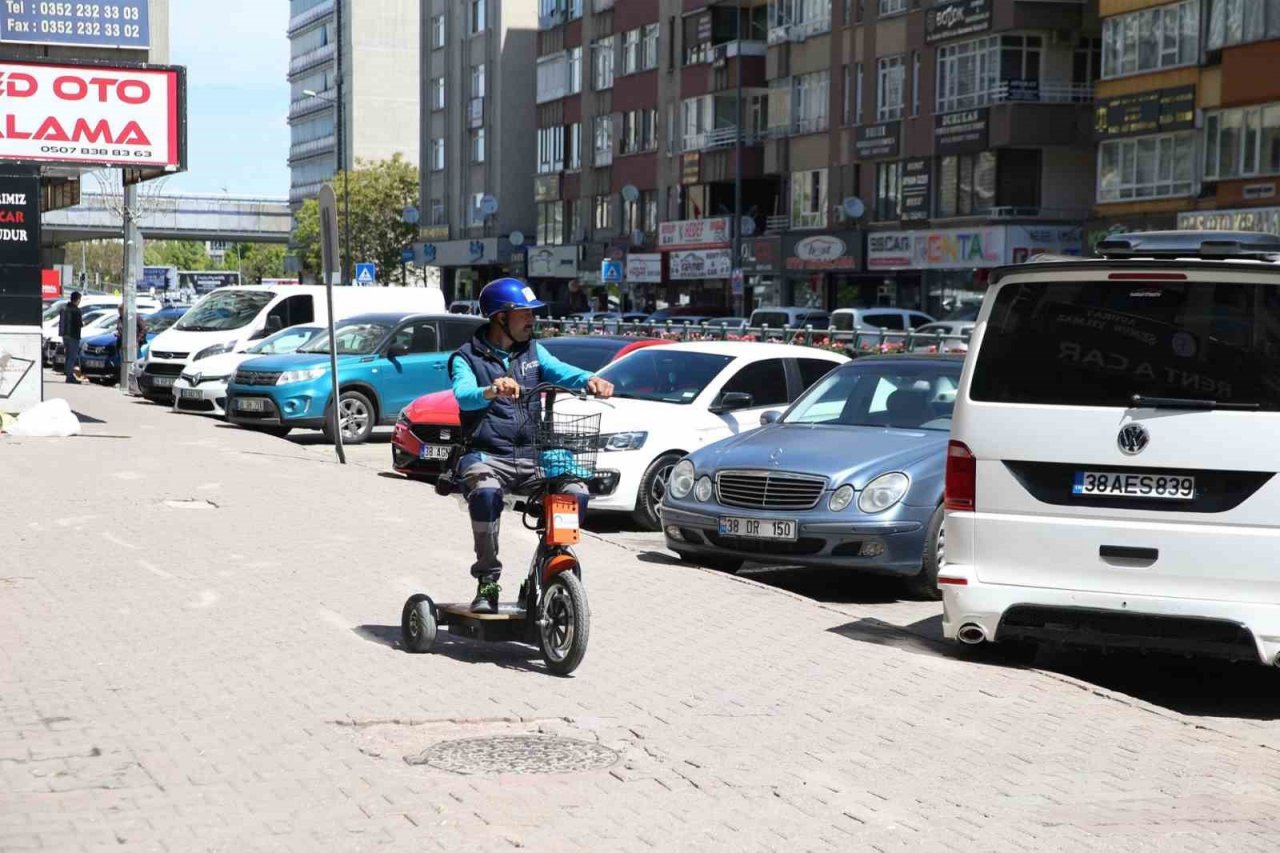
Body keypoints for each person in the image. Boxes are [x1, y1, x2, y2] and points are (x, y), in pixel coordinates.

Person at [449, 277, 614, 613]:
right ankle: (488, 579)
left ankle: (551, 560)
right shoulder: (466, 358)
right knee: (485, 494)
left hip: (532, 456)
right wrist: (491, 390)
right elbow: (464, 397)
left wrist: (590, 379)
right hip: (486, 455)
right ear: (500, 317)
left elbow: (563, 372)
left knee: (575, 490)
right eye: (525, 313)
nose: (532, 319)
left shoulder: (534, 352)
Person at [59, 292, 83, 384]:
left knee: (68, 356)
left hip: (65, 335)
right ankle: (69, 377)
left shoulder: (64, 308)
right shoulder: (76, 310)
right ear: (77, 299)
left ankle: (68, 374)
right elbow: (79, 324)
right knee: (71, 357)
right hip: (73, 335)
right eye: (79, 299)